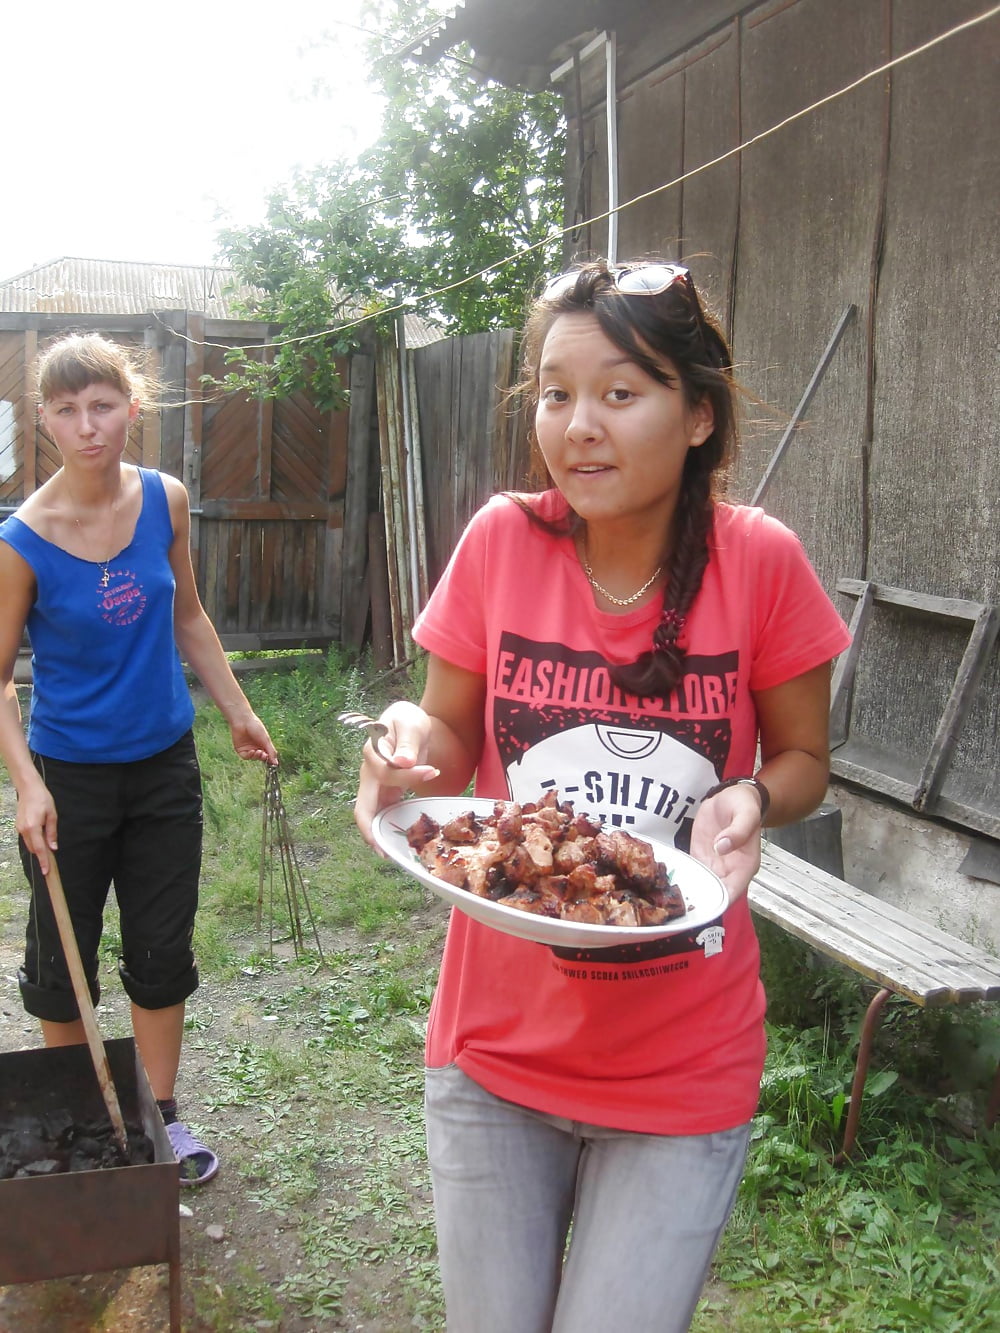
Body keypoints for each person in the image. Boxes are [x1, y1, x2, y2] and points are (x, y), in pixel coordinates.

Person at [352, 258, 852, 1331]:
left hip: (683, 1061)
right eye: (554, 391)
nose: (579, 423)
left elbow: (807, 757)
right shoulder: (500, 542)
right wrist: (401, 743)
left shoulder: (760, 562)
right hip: (496, 1045)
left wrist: (755, 800)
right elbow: (443, 736)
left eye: (621, 392)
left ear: (699, 416)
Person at [0, 332, 278, 1185]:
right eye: (68, 409)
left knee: (161, 951)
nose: (89, 426)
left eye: (104, 405)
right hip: (68, 780)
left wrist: (238, 710)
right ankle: (84, 1117)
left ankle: (160, 1119)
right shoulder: (22, 539)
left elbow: (188, 616)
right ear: (45, 419)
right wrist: (26, 787)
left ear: (133, 407)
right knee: (62, 965)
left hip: (163, 767)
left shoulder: (166, 499)